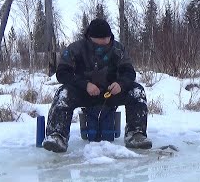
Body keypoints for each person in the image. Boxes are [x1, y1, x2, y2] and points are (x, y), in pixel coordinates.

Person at [42, 18, 152, 153]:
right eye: (99, 44)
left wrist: (120, 84)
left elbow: (129, 72)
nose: (104, 45)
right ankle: (57, 136)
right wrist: (85, 85)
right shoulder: (75, 49)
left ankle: (135, 134)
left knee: (137, 91)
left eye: (107, 41)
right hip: (84, 93)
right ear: (90, 38)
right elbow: (62, 73)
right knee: (63, 93)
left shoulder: (118, 49)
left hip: (111, 94)